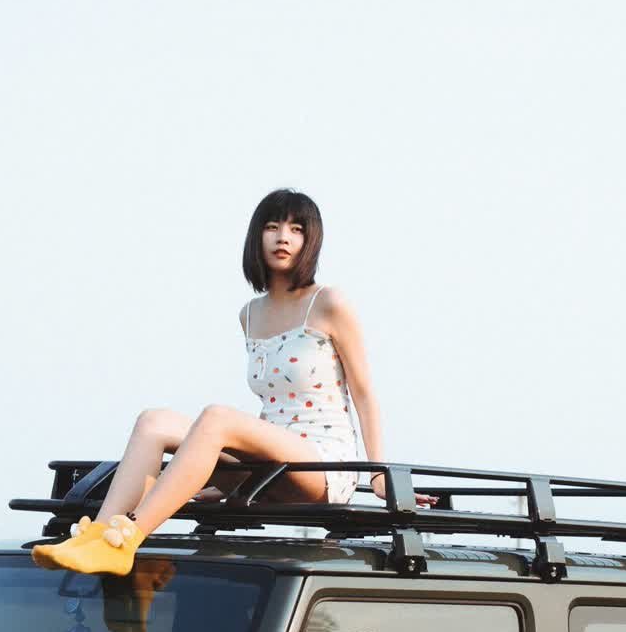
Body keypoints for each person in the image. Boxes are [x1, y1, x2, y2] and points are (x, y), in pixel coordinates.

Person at [33, 188, 427, 577]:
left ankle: (129, 538)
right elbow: (270, 410)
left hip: (322, 463)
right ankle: (99, 536)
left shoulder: (328, 303)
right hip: (271, 459)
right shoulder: (250, 314)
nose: (283, 238)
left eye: (296, 229)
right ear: (257, 236)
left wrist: (379, 475)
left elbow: (363, 393)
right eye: (272, 227)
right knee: (154, 422)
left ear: (311, 241)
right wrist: (216, 479)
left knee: (217, 417)